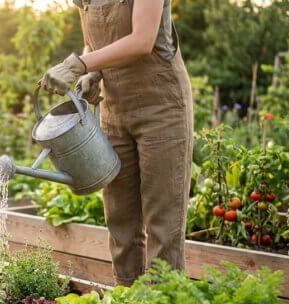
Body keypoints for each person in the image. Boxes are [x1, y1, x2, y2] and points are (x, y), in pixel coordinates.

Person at [38, 0, 193, 286]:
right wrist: (90, 72)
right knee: (120, 223)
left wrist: (78, 64)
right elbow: (91, 44)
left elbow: (142, 40)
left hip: (162, 107)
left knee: (163, 223)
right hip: (114, 110)